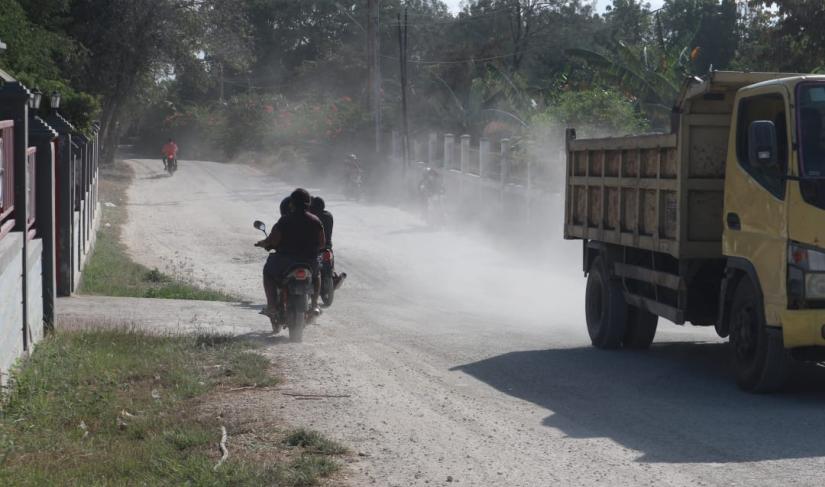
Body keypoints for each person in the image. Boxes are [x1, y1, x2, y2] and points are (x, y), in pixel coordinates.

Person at [255, 188, 326, 316]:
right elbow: (322, 243)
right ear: (308, 204)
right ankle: (315, 304)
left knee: (268, 272)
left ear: (291, 204)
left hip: (285, 261)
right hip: (310, 261)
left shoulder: (284, 220)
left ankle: (271, 306)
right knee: (317, 275)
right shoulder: (316, 221)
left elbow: (274, 241)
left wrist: (265, 243)